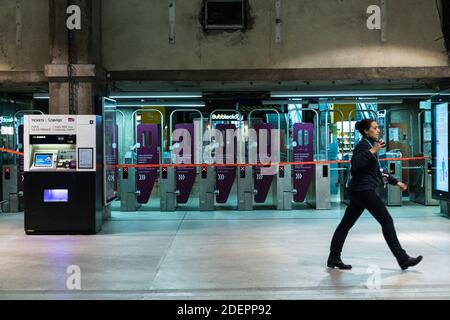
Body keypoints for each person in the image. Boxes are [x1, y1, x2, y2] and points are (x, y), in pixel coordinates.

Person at [328, 119, 423, 270]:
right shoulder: (363, 146)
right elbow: (356, 164)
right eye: (375, 128)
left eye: (378, 128)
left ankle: (333, 258)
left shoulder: (369, 146)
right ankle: (402, 258)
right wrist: (373, 150)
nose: (378, 130)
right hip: (363, 190)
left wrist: (395, 182)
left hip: (360, 190)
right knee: (387, 221)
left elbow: (378, 170)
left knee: (346, 224)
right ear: (366, 131)